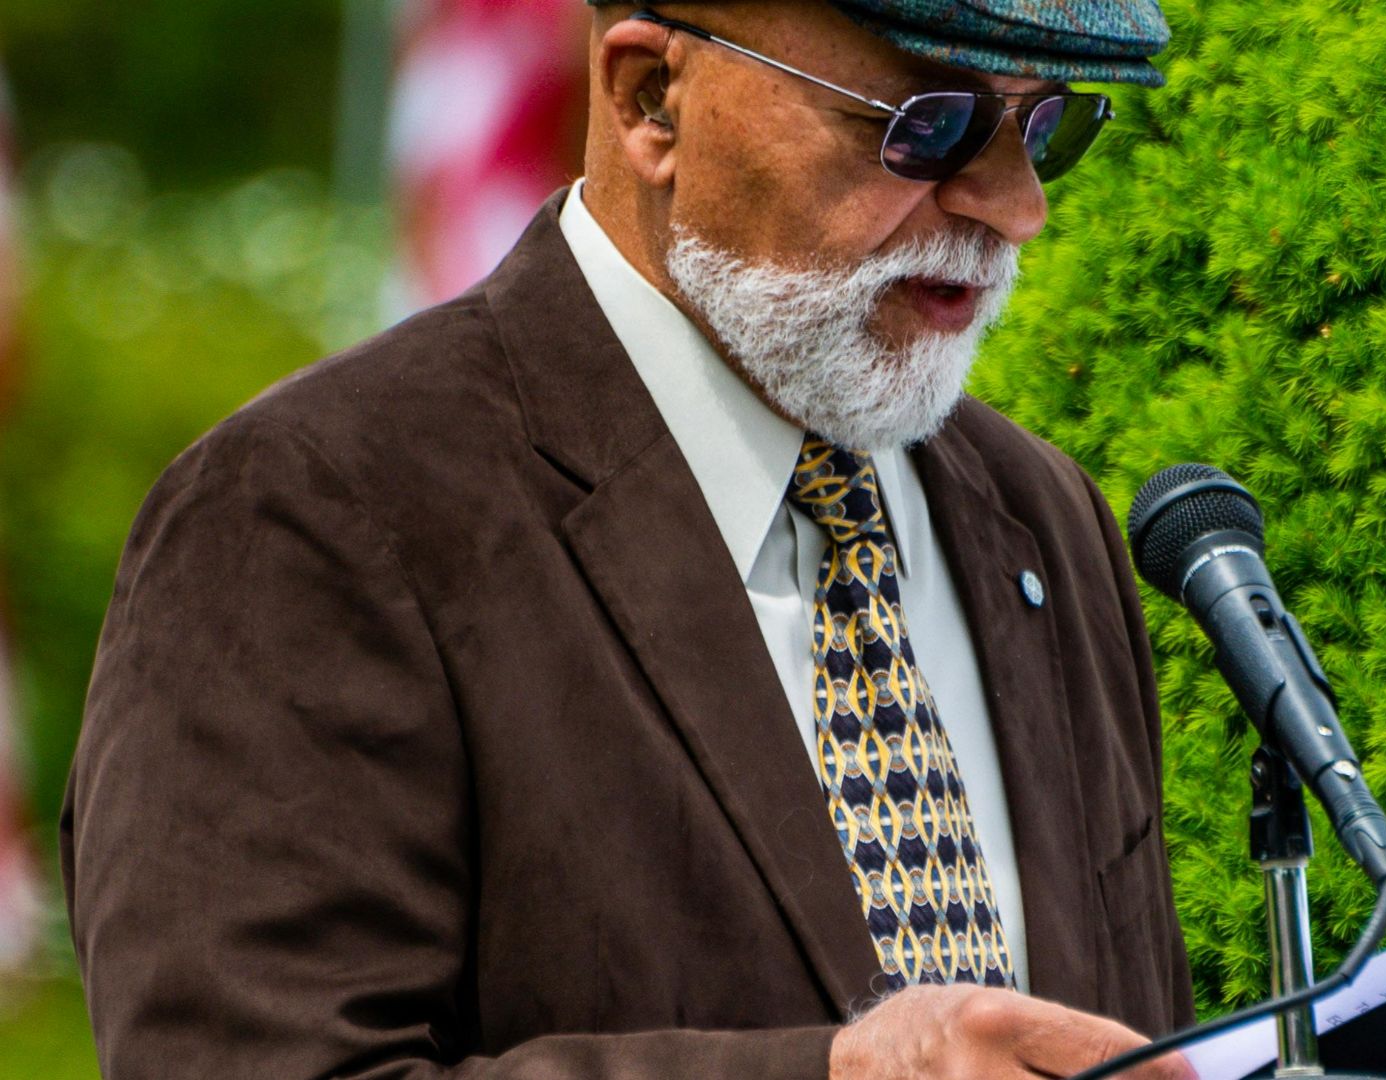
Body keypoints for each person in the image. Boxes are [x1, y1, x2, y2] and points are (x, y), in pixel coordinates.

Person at [61, 0, 1196, 1076]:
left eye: (1048, 126)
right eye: (929, 124)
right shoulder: (312, 512)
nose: (1014, 206)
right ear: (652, 95)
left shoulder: (1038, 514)